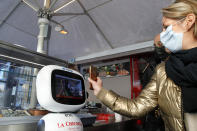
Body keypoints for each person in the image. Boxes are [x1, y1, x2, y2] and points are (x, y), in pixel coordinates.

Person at [88, 1, 197, 131]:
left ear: (189, 21)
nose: (162, 35)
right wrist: (101, 92)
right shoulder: (163, 71)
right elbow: (136, 108)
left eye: (166, 27)